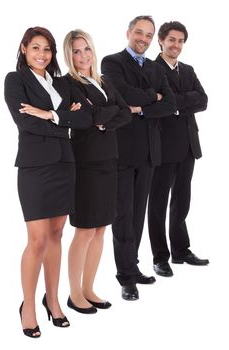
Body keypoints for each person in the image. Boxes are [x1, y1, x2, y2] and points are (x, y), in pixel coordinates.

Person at [4, 26, 92, 337]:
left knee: (57, 233)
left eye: (48, 49)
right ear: (24, 48)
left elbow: (82, 120)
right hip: (35, 168)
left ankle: (52, 299)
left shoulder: (61, 83)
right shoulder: (15, 81)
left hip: (65, 164)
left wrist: (50, 114)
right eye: (36, 48)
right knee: (37, 239)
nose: (42, 54)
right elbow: (25, 123)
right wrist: (60, 116)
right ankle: (28, 305)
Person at [101, 16, 176, 301]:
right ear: (129, 32)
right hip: (121, 151)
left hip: (148, 153)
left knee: (138, 214)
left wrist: (143, 107)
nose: (144, 39)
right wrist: (152, 96)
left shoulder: (157, 68)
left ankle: (132, 266)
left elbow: (169, 104)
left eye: (149, 34)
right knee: (123, 215)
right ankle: (126, 278)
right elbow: (121, 94)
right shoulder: (112, 62)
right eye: (139, 33)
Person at [62, 29, 132, 313]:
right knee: (85, 229)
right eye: (76, 51)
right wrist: (102, 115)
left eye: (86, 49)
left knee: (101, 228)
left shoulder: (103, 81)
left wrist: (100, 119)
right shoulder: (67, 83)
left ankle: (89, 287)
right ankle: (74, 293)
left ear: (93, 50)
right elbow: (82, 118)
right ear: (69, 54)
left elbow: (125, 112)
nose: (82, 55)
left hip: (108, 160)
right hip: (86, 162)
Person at [147, 21, 209, 277]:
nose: (176, 45)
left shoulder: (188, 69)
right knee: (159, 203)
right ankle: (160, 257)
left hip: (187, 146)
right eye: (172, 39)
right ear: (160, 40)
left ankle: (181, 250)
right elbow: (157, 104)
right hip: (162, 147)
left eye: (181, 41)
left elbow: (203, 100)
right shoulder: (151, 70)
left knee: (182, 201)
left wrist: (173, 102)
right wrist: (182, 101)